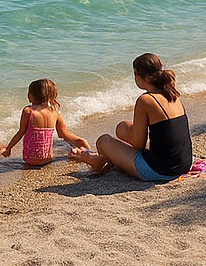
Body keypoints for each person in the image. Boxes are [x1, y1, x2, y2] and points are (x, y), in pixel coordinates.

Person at [69, 53, 193, 182]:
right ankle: (100, 159)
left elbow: (138, 144)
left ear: (138, 75)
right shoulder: (172, 93)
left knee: (103, 141)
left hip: (160, 169)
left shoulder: (146, 99)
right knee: (123, 127)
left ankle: (97, 160)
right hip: (184, 163)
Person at [0, 78, 90, 165]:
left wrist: (8, 149)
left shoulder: (28, 111)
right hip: (47, 159)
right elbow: (64, 135)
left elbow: (21, 132)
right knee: (63, 144)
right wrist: (78, 140)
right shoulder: (55, 113)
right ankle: (78, 151)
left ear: (30, 96)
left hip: (29, 159)